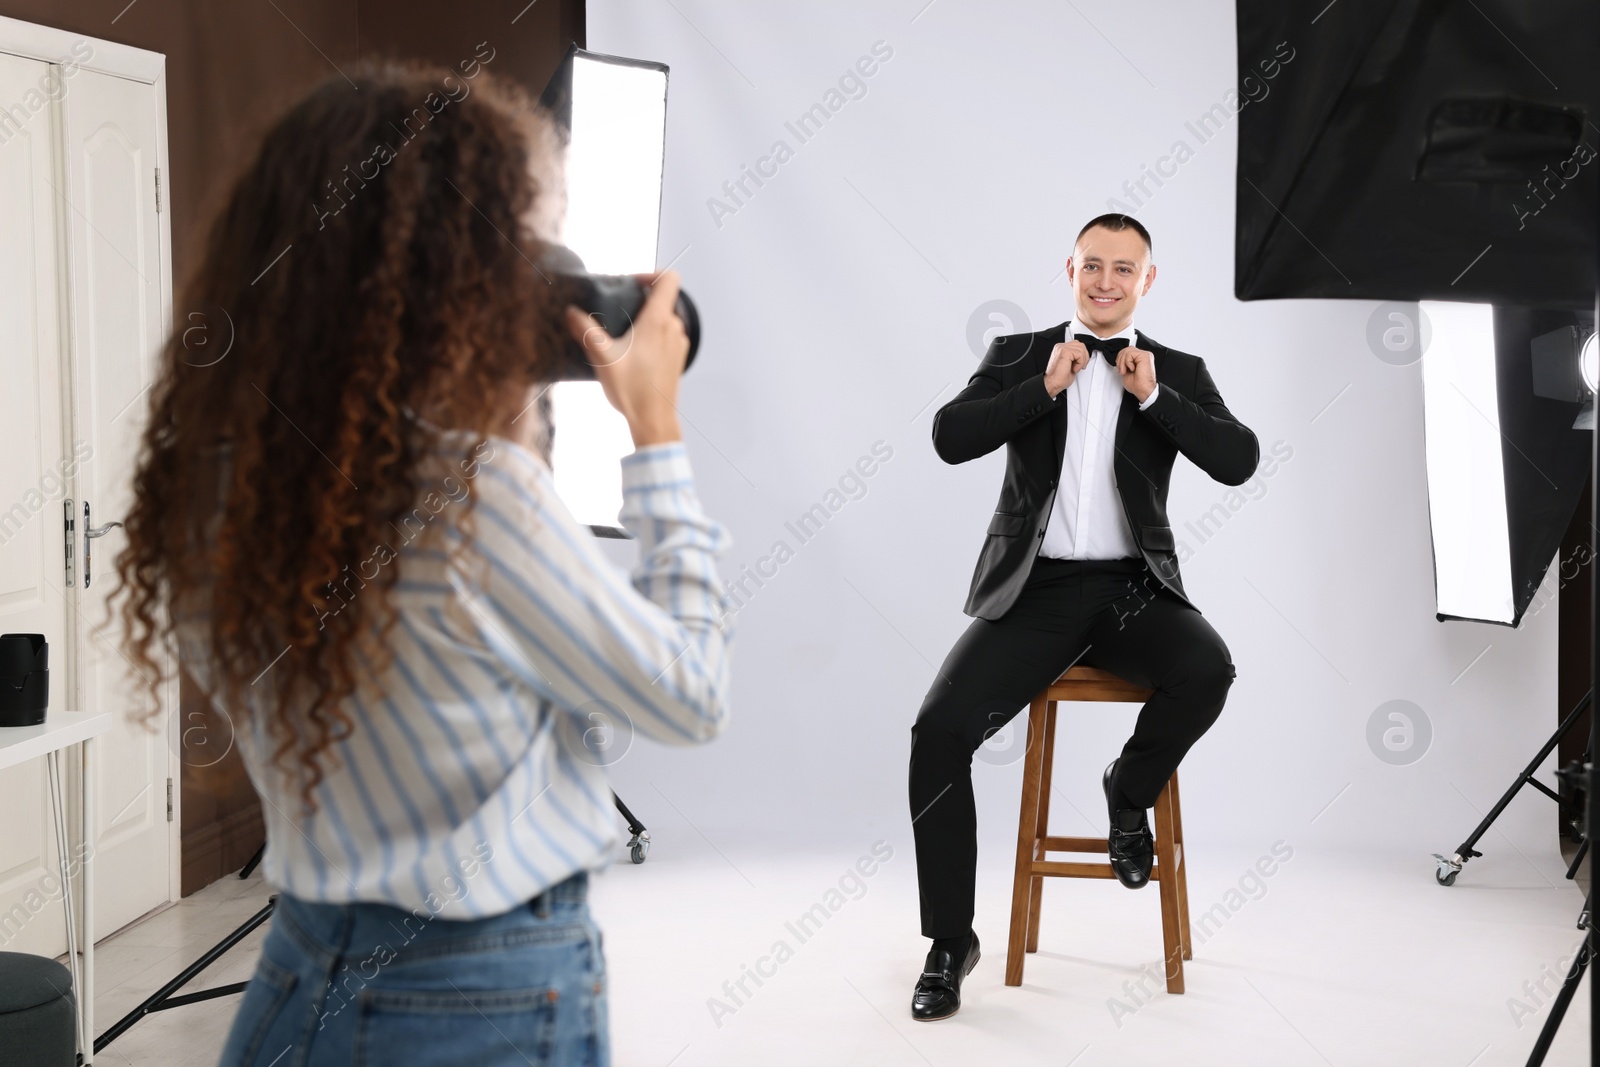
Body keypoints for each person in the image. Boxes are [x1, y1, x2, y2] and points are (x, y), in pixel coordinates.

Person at [112, 61, 732, 1066]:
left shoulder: (212, 489)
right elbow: (690, 694)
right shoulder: (475, 499)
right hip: (477, 994)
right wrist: (653, 433)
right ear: (454, 276)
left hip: (297, 973)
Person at [906, 214, 1259, 1020]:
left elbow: (1238, 461)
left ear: (1148, 280)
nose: (1106, 281)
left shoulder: (1176, 368)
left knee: (1208, 668)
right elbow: (949, 438)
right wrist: (1044, 389)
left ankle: (1127, 789)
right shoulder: (1020, 354)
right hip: (1034, 591)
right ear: (1069, 269)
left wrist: (1156, 397)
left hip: (1134, 590)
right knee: (938, 731)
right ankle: (949, 940)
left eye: (1123, 269)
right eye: (1092, 265)